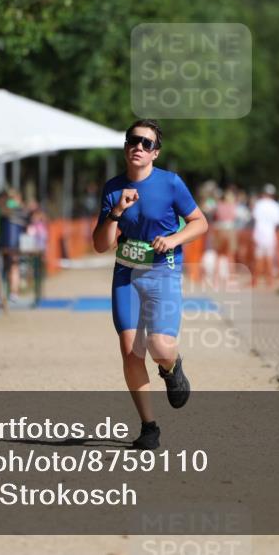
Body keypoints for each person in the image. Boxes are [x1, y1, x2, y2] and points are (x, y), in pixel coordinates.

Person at [92, 119, 208, 450]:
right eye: (133, 141)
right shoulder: (113, 188)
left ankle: (172, 368)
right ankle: (148, 426)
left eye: (146, 143)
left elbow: (200, 222)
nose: (138, 147)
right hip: (126, 274)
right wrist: (116, 212)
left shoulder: (171, 183)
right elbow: (101, 244)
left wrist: (173, 240)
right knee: (130, 351)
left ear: (156, 152)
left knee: (160, 347)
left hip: (163, 272)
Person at [251, 184, 279, 287]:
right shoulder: (276, 206)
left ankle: (255, 281)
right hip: (270, 234)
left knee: (258, 258)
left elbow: (254, 217)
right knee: (269, 258)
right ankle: (270, 281)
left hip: (259, 234)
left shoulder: (259, 204)